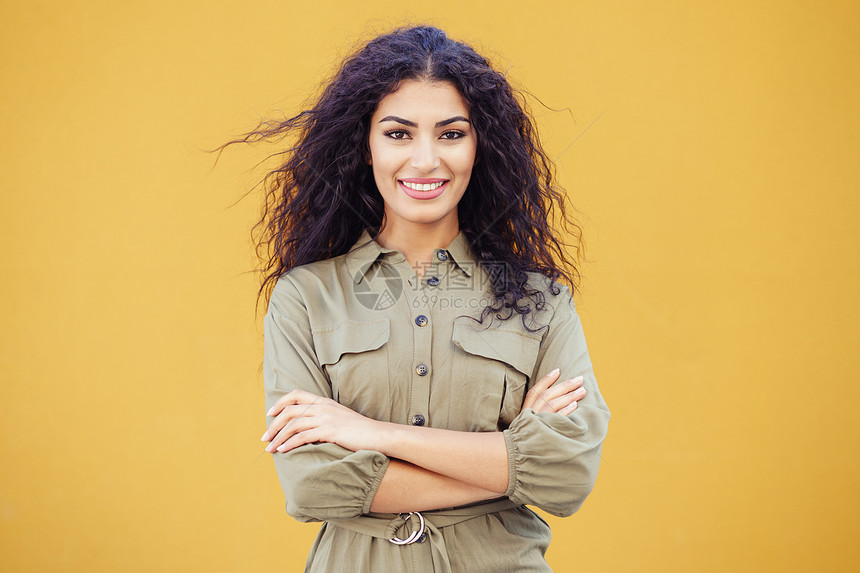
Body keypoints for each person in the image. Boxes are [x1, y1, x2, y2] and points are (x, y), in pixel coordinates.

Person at [241, 25, 610, 572]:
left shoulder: (542, 301)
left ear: (479, 147)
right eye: (397, 134)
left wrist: (369, 435)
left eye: (451, 134)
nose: (425, 160)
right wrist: (510, 464)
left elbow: (568, 472)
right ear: (364, 147)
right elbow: (313, 487)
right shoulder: (305, 297)